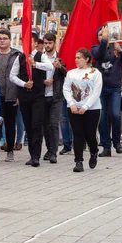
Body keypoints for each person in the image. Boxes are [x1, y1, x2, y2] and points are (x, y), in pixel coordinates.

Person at [10, 33, 53, 167]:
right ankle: (31, 154)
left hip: (38, 96)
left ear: (35, 43)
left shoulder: (41, 56)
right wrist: (23, 84)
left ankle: (36, 156)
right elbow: (12, 76)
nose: (26, 44)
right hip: (25, 95)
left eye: (29, 42)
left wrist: (36, 64)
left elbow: (50, 67)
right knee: (28, 124)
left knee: (36, 124)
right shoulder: (20, 57)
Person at [63, 48, 102, 172]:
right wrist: (71, 103)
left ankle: (94, 151)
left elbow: (96, 92)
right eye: (75, 57)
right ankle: (78, 161)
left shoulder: (95, 73)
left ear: (87, 59)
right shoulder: (71, 73)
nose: (76, 60)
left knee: (90, 134)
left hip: (92, 109)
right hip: (74, 108)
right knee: (78, 134)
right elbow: (66, 89)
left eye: (79, 58)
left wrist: (86, 106)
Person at [0, 30, 22, 164]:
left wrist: (19, 95)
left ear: (10, 40)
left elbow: (21, 76)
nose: (2, 41)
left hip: (12, 93)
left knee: (10, 123)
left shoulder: (16, 55)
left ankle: (10, 151)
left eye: (5, 38)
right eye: (0, 38)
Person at [91, 26, 122, 156]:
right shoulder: (95, 48)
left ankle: (117, 143)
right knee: (102, 117)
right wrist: (104, 40)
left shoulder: (118, 47)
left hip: (115, 87)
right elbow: (98, 54)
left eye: (104, 34)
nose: (102, 36)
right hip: (101, 88)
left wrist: (120, 51)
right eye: (100, 34)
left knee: (115, 114)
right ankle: (106, 146)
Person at [42, 33, 66, 164]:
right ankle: (48, 148)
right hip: (43, 95)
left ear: (54, 43)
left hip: (56, 95)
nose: (47, 45)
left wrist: (60, 67)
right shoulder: (40, 57)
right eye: (45, 43)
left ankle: (54, 153)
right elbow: (34, 74)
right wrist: (43, 81)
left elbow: (68, 73)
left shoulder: (60, 57)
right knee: (45, 125)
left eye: (50, 43)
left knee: (54, 123)